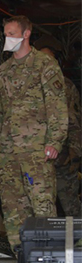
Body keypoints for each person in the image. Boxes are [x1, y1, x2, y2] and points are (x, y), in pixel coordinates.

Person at [0, 16, 68, 252]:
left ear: (26, 34)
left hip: (36, 151)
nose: (7, 38)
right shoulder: (4, 71)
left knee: (42, 206)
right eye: (5, 34)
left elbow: (57, 106)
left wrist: (55, 141)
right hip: (8, 152)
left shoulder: (45, 65)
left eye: (12, 33)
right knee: (13, 209)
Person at [38, 46, 81, 217]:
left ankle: (78, 239)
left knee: (69, 202)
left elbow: (75, 121)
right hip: (37, 157)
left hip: (63, 156)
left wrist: (74, 151)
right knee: (41, 205)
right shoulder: (30, 85)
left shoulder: (66, 86)